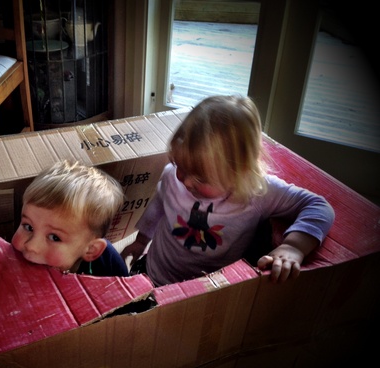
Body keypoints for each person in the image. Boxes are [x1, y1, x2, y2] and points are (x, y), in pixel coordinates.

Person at [121, 94, 335, 286]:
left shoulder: (257, 193)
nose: (186, 182)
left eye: (201, 178)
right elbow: (158, 206)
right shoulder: (171, 176)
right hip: (154, 272)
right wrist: (141, 241)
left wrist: (293, 246)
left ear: (240, 171)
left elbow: (318, 206)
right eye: (180, 166)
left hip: (206, 293)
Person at [11, 160, 129, 276]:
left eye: (54, 237)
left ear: (91, 249)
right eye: (28, 227)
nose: (31, 246)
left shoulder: (111, 267)